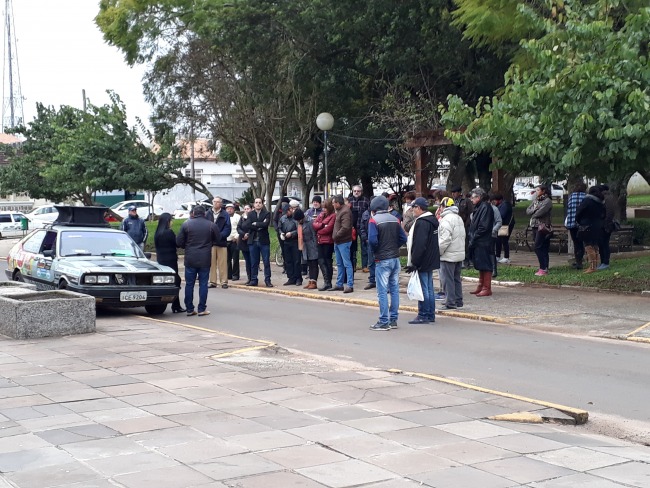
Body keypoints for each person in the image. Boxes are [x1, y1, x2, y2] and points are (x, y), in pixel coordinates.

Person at [368, 195, 408, 330]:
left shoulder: (373, 221)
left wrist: (377, 251)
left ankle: (383, 321)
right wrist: (394, 246)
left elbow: (372, 241)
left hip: (382, 259)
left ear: (373, 208)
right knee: (394, 289)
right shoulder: (395, 219)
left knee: (382, 291)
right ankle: (393, 319)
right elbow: (403, 238)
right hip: (395, 258)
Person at [176, 205, 219, 316]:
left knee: (189, 284)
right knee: (203, 284)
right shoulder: (211, 225)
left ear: (193, 213)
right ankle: (201, 308)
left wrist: (188, 246)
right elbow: (218, 239)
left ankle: (189, 308)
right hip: (205, 257)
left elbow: (179, 242)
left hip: (190, 257)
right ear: (204, 214)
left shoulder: (186, 224)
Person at [405, 197, 440, 324]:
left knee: (424, 288)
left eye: (414, 207)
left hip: (423, 260)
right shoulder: (432, 220)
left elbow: (419, 244)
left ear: (419, 208)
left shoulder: (422, 222)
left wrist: (414, 262)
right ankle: (430, 314)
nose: (412, 210)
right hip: (431, 259)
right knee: (429, 288)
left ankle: (424, 314)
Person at [437, 197, 466, 310]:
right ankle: (458, 300)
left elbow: (445, 240)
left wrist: (438, 252)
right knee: (456, 278)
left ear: (444, 207)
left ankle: (450, 302)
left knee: (447, 279)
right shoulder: (458, 218)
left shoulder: (446, 220)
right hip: (459, 253)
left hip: (448, 255)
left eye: (440, 206)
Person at [153, 212, 184, 313]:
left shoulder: (158, 233)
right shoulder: (169, 232)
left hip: (161, 259)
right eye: (171, 220)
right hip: (170, 259)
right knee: (176, 281)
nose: (172, 222)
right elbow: (177, 243)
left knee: (170, 281)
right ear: (167, 221)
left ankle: (176, 305)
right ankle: (176, 305)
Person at [468, 188, 495, 296]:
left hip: (483, 241)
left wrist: (474, 237)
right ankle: (481, 284)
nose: (471, 199)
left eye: (473, 197)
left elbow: (483, 227)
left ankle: (486, 287)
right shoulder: (479, 207)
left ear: (478, 197)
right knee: (480, 263)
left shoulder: (485, 207)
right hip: (478, 240)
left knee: (485, 263)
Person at [241, 197, 273, 287]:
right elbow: (247, 225)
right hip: (253, 241)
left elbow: (266, 224)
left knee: (266, 262)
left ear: (262, 204)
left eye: (259, 202)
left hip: (264, 241)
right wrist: (259, 225)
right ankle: (254, 280)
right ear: (254, 204)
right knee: (254, 262)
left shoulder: (267, 213)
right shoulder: (250, 214)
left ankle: (268, 280)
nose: (258, 204)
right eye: (256, 202)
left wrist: (255, 223)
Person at [576, 186, 605, 274]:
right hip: (598, 224)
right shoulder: (601, 202)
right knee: (595, 245)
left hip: (587, 224)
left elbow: (579, 212)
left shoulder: (587, 200)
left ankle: (592, 267)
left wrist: (579, 220)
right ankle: (595, 265)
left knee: (588, 245)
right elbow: (604, 214)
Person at [526, 185, 553, 276]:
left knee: (538, 246)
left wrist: (534, 211)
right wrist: (534, 209)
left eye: (538, 190)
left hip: (542, 226)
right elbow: (528, 211)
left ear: (543, 191)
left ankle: (543, 268)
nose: (536, 192)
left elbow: (539, 213)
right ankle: (544, 266)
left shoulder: (547, 201)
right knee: (541, 247)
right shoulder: (536, 200)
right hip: (534, 225)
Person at [206, 197, 231, 289]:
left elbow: (228, 228)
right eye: (215, 202)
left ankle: (224, 282)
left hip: (221, 242)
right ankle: (212, 281)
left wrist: (220, 236)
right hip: (210, 242)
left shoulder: (225, 214)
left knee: (223, 263)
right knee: (211, 263)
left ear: (221, 204)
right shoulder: (207, 213)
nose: (216, 203)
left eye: (218, 202)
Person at [312, 198, 336, 291]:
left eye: (325, 208)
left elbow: (329, 229)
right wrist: (322, 225)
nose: (323, 209)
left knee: (327, 261)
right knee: (321, 261)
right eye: (323, 208)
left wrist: (319, 228)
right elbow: (314, 224)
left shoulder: (333, 216)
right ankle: (326, 281)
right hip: (320, 240)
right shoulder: (321, 214)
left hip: (328, 241)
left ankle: (328, 282)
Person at [332, 194, 354, 293]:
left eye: (334, 203)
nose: (332, 205)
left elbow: (345, 227)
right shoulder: (340, 210)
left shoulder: (345, 212)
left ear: (338, 203)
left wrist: (336, 235)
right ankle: (339, 283)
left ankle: (350, 284)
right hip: (338, 241)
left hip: (343, 241)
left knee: (347, 263)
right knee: (340, 264)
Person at [279, 202, 302, 286]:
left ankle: (298, 278)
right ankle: (291, 277)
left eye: (288, 211)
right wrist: (281, 233)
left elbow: (298, 229)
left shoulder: (295, 219)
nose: (287, 214)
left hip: (294, 241)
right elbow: (279, 228)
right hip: (286, 241)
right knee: (288, 260)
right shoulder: (282, 219)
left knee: (296, 260)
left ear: (291, 210)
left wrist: (292, 233)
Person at [565, 182, 587, 269]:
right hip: (582, 224)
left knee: (576, 243)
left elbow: (568, 208)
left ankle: (578, 261)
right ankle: (581, 260)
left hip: (572, 223)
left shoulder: (571, 196)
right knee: (582, 243)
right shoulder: (585, 197)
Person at [296, 208, 319, 289]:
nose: (298, 222)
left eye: (299, 220)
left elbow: (314, 235)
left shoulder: (309, 222)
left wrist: (316, 246)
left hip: (311, 244)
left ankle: (314, 281)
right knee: (309, 263)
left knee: (314, 263)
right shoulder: (300, 223)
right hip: (305, 245)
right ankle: (310, 281)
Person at [451, 186, 473, 267]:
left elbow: (470, 213)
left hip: (464, 225)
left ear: (459, 192)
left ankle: (466, 260)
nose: (453, 194)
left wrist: (467, 224)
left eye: (455, 192)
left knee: (465, 243)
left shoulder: (466, 201)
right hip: (455, 225)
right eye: (452, 192)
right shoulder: (452, 201)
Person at [349, 185, 370, 272]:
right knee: (352, 247)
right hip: (352, 227)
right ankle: (353, 265)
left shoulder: (365, 200)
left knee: (364, 246)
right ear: (352, 191)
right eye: (355, 191)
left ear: (361, 192)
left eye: (358, 191)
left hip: (363, 227)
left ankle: (364, 266)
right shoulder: (349, 200)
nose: (356, 192)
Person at [492, 193, 514, 265]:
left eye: (495, 201)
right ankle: (497, 255)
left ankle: (506, 257)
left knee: (504, 240)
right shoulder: (500, 205)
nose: (494, 202)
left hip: (506, 225)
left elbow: (502, 215)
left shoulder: (505, 205)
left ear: (500, 200)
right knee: (498, 240)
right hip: (502, 225)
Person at [599, 184, 616, 270]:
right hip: (604, 224)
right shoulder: (607, 198)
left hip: (606, 225)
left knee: (605, 244)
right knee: (601, 244)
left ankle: (606, 262)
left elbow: (609, 213)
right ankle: (602, 261)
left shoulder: (607, 199)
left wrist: (606, 224)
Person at [359, 204, 375, 290]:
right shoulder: (365, 214)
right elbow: (362, 228)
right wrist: (365, 238)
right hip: (369, 241)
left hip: (378, 242)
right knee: (371, 262)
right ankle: (372, 280)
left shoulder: (379, 215)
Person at [236, 204, 253, 284]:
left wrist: (248, 234)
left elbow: (253, 228)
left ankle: (253, 277)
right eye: (245, 209)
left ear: (251, 209)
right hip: (243, 241)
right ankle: (249, 277)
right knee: (247, 261)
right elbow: (238, 228)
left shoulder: (253, 217)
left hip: (251, 241)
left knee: (252, 260)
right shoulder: (242, 218)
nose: (246, 210)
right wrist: (243, 234)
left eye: (248, 209)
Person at [225, 203, 241, 281]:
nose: (229, 210)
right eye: (228, 208)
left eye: (231, 208)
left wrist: (237, 236)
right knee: (227, 259)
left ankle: (235, 275)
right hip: (226, 240)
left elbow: (240, 228)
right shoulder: (223, 217)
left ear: (234, 209)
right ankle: (229, 274)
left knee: (235, 259)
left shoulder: (238, 217)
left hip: (234, 240)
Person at [489, 196, 503, 278]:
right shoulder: (480, 209)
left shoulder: (494, 209)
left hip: (491, 234)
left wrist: (493, 230)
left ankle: (494, 269)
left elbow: (499, 222)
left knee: (491, 252)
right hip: (482, 234)